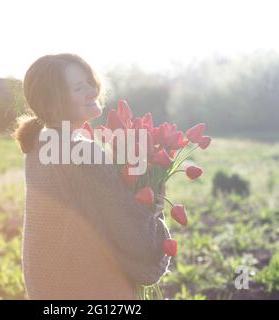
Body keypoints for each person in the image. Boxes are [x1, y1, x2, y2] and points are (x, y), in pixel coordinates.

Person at [12, 53, 169, 299]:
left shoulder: (38, 143)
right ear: (54, 102)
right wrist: (154, 210)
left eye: (88, 81)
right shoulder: (82, 151)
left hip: (50, 288)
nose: (91, 91)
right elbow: (133, 237)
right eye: (78, 87)